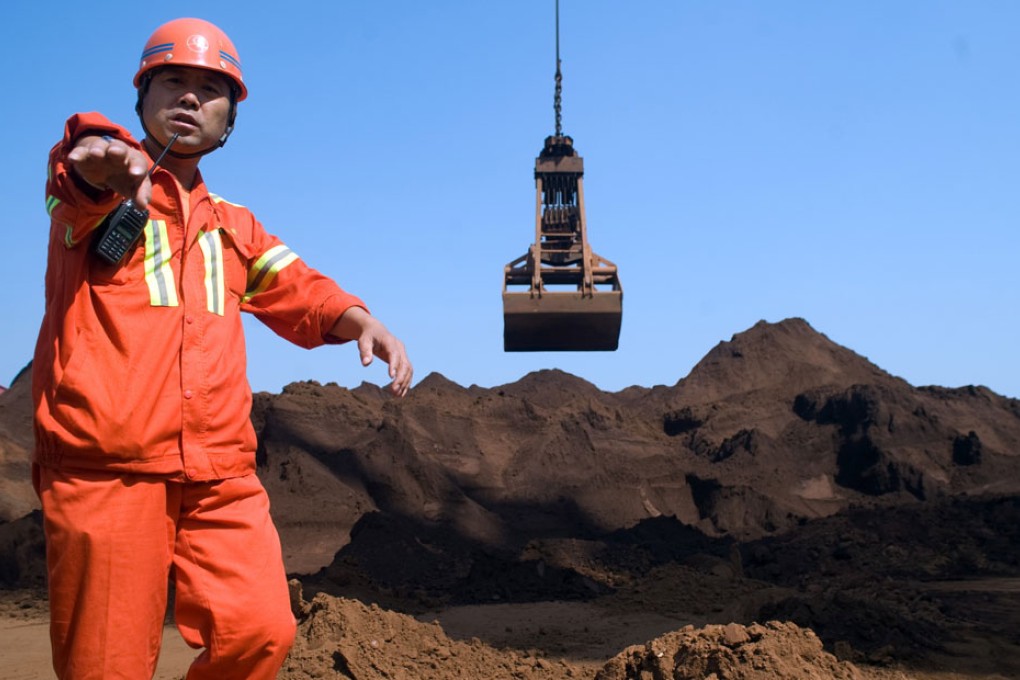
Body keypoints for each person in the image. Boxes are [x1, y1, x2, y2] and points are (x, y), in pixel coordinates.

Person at [31, 17, 413, 680]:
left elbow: (295, 284)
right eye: (172, 81)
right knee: (106, 666)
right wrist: (100, 156)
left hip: (218, 475)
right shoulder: (91, 201)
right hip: (108, 469)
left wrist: (360, 321)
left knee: (261, 629)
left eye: (210, 90)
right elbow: (78, 165)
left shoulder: (232, 228)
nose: (189, 97)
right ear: (142, 96)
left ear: (229, 118)